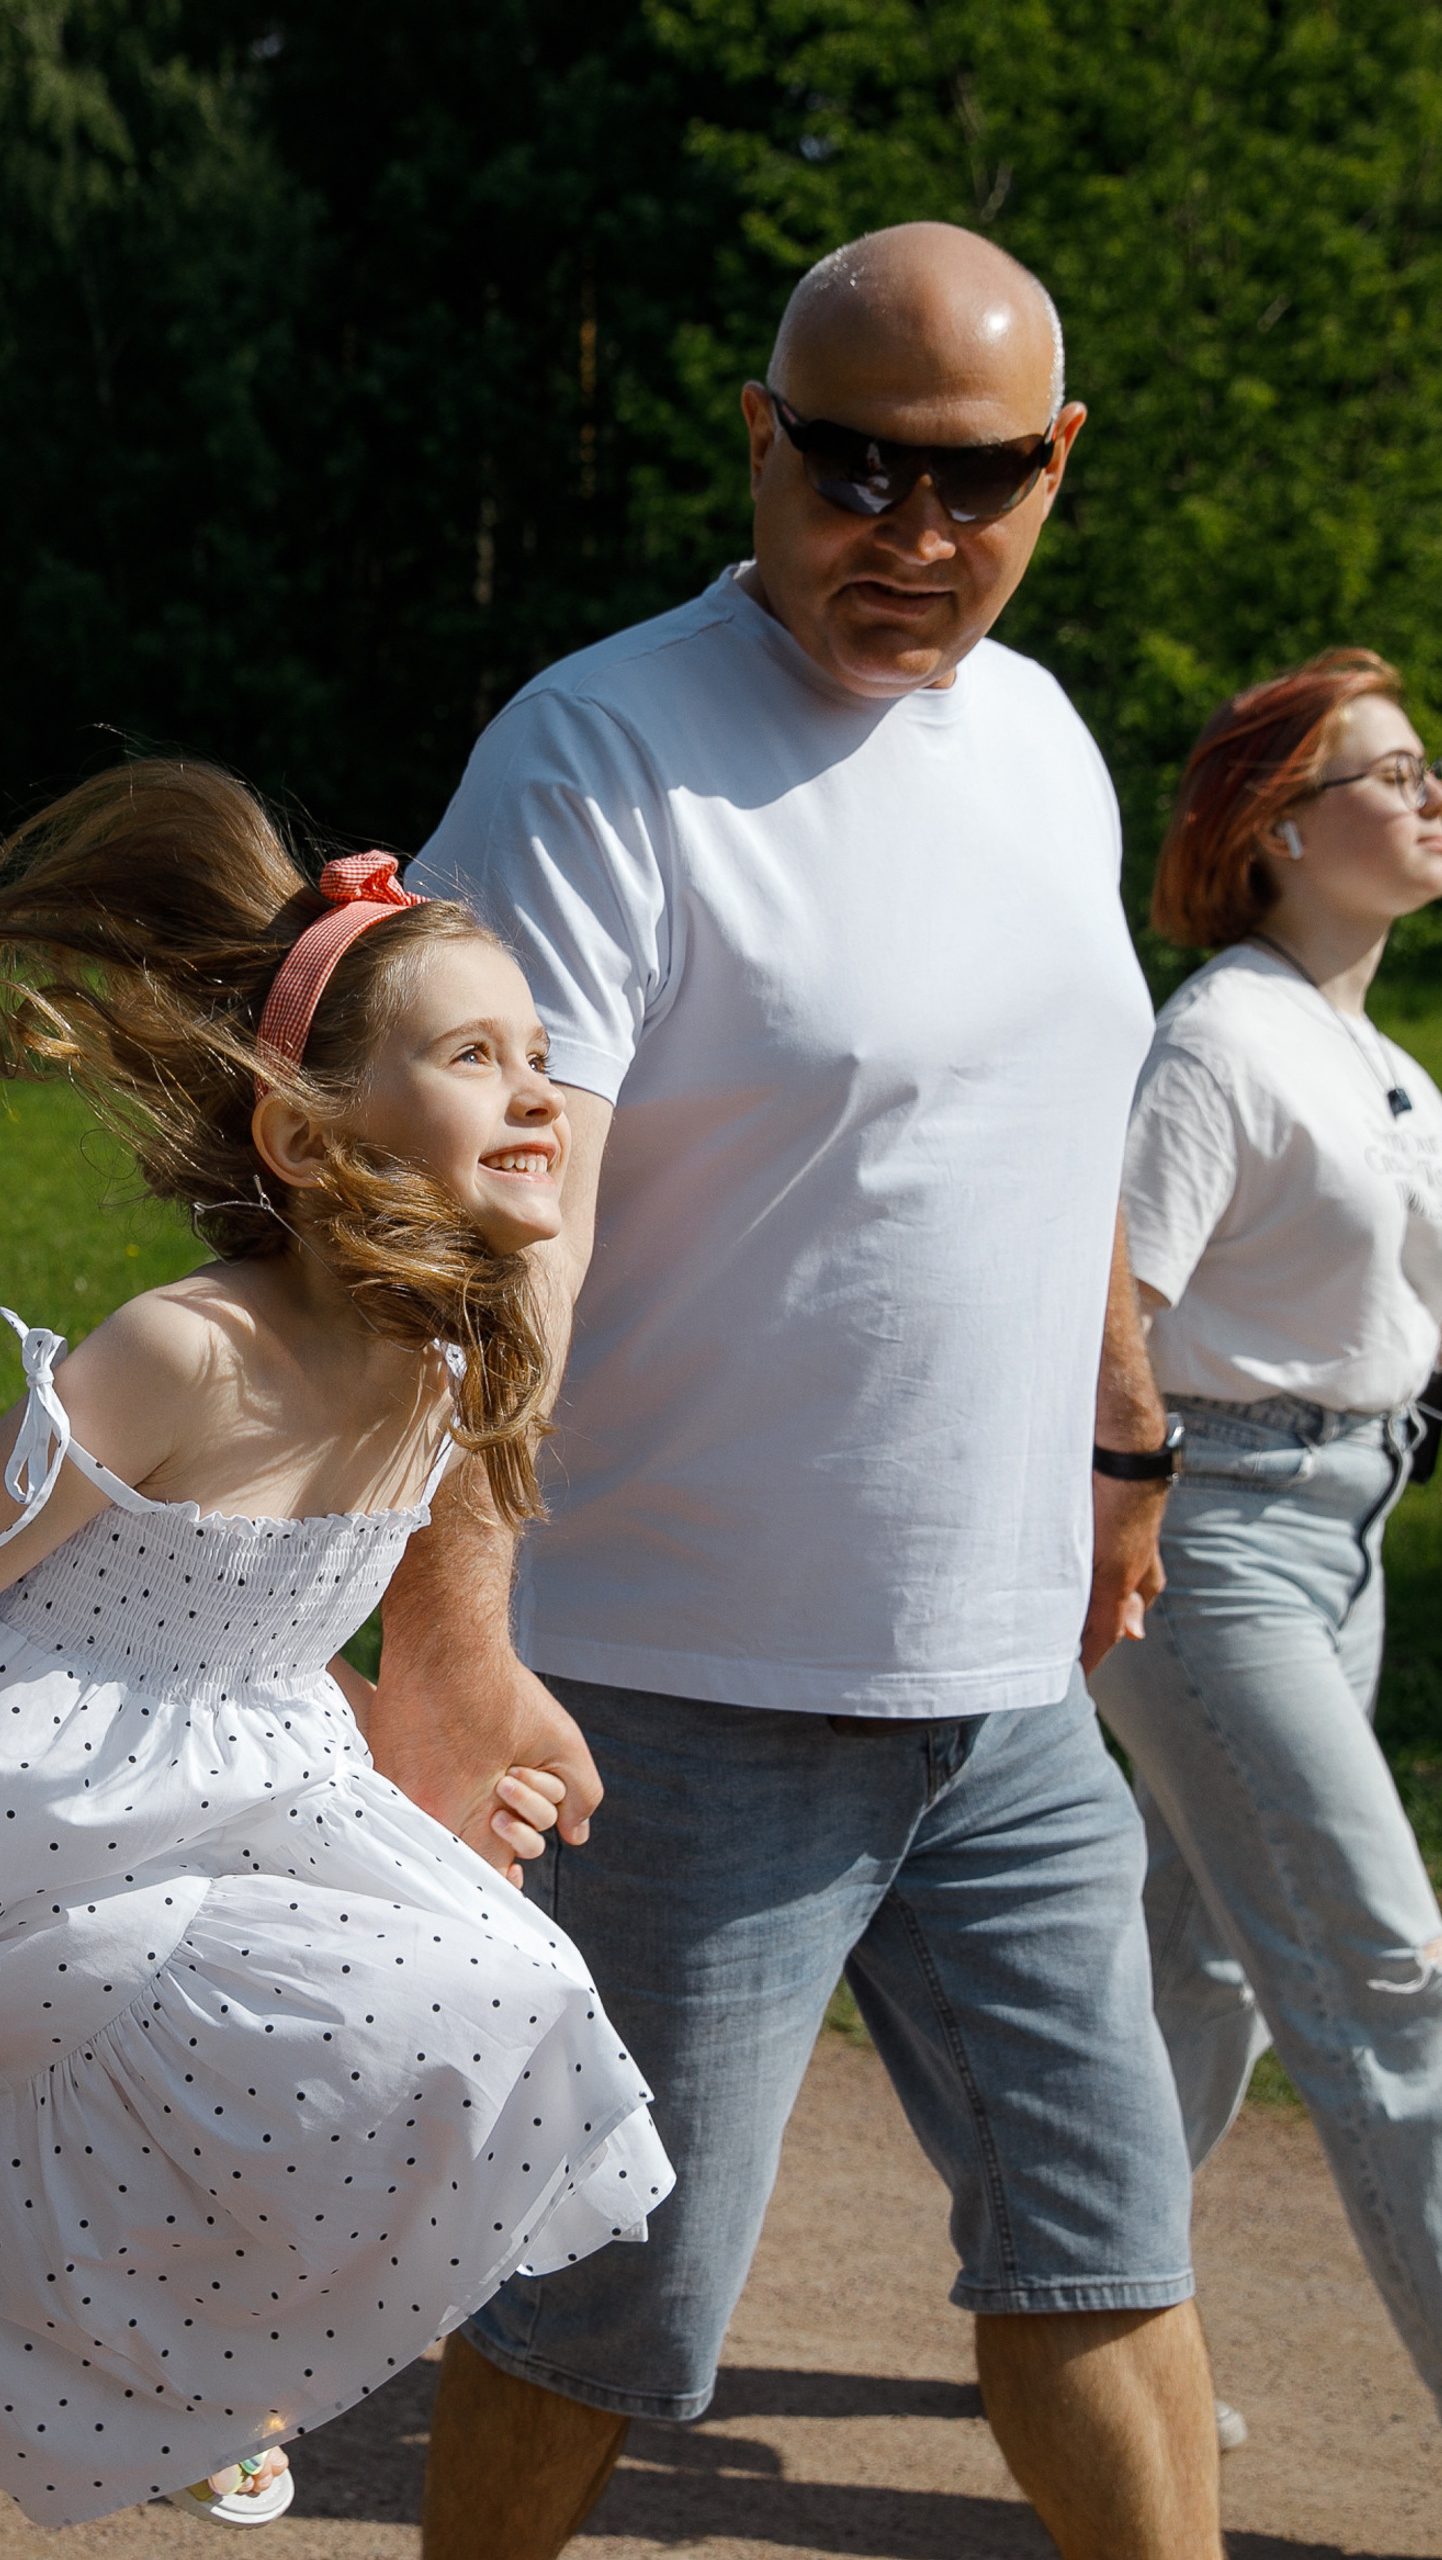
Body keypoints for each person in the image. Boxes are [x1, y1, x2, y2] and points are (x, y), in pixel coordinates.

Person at [387, 221, 1225, 2557]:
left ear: (1054, 467)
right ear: (757, 442)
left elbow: (1050, 1135)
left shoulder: (1041, 735)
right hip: (678, 1684)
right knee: (595, 2303)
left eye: (973, 482)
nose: (914, 538)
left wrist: (1119, 1439)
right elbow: (485, 1223)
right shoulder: (601, 750)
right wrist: (450, 1634)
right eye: (852, 472)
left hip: (1002, 1689)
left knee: (1106, 2241)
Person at [0, 760, 673, 2528]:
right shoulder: (185, 1353)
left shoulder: (452, 1365)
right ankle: (116, 2352)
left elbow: (319, 1620)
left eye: (540, 1057)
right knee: (241, 2037)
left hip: (259, 1758)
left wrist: (442, 1735)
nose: (538, 1092)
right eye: (474, 1057)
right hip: (43, 1795)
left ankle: (219, 2365)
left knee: (505, 2003)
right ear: (311, 1136)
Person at [1088, 648, 1442, 2422]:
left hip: (1346, 1536)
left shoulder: (1376, 1056)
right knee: (1386, 1966)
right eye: (1384, 773)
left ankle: (1082, 2292)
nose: (1426, 794)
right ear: (1280, 832)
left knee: (1203, 1957)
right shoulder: (1221, 1036)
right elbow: (1114, 1300)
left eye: (1422, 765)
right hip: (1219, 1539)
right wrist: (1130, 1518)